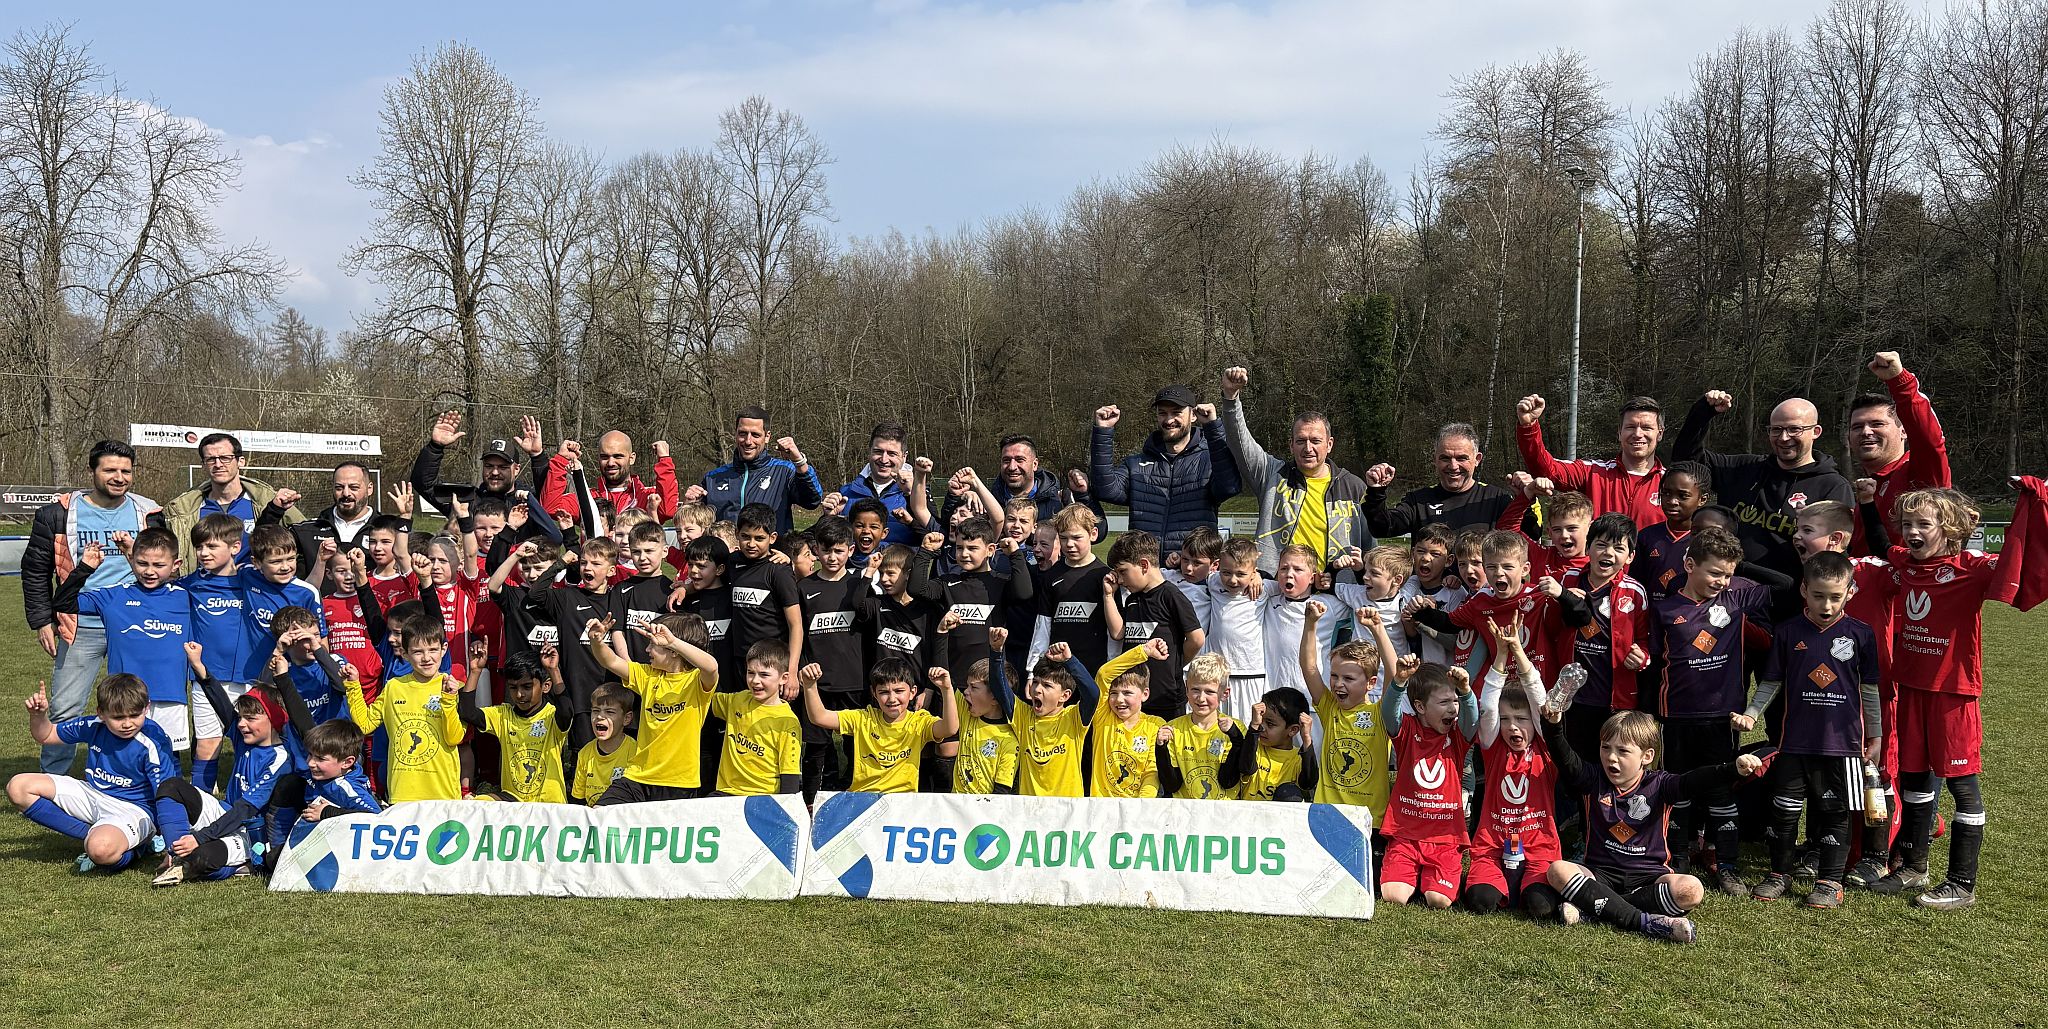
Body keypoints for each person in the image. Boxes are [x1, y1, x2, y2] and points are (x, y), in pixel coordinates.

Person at [1870, 487, 2042, 909]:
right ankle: (1914, 866)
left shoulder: (1972, 567)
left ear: (1949, 530)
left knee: (1962, 786)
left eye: (1923, 524)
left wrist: (2031, 508)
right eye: (1907, 524)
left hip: (1953, 694)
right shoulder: (1904, 563)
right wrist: (1865, 502)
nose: (1912, 532)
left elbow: (2020, 567)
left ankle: (1962, 883)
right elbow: (1878, 543)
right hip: (1910, 689)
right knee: (1913, 779)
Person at [1734, 551, 1882, 909]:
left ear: (1851, 592)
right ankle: (1779, 873)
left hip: (1843, 745)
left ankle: (1830, 881)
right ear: (1804, 590)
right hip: (1794, 742)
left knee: (1836, 812)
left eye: (1835, 596)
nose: (1826, 605)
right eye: (1818, 596)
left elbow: (1869, 689)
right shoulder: (1788, 632)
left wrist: (1875, 736)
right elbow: (1771, 682)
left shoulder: (1861, 634)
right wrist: (1752, 713)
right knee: (1784, 810)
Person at [1543, 710, 1765, 944]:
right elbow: (1564, 757)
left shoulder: (1661, 784)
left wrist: (1733, 769)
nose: (1611, 757)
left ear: (1647, 756)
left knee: (1692, 889)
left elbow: (1695, 780)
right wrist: (1554, 726)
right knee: (1557, 870)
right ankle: (1646, 922)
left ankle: (1595, 908)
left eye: (1622, 751)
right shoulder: (1592, 779)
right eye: (1605, 748)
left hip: (1648, 879)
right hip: (1599, 874)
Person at [1643, 527, 1776, 896]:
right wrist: (1650, 711)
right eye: (1715, 572)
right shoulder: (1664, 610)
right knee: (1678, 789)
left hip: (1722, 718)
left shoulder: (1736, 600)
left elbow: (1785, 584)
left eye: (1729, 574)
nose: (1722, 581)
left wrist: (1740, 568)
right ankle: (1679, 860)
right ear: (1689, 565)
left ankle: (1727, 864)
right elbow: (1653, 666)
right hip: (1675, 718)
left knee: (1721, 791)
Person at [21, 440, 164, 775]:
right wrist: (42, 620)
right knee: (66, 708)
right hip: (80, 625)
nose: (119, 477)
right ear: (92, 471)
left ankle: (133, 776)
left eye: (126, 471)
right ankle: (53, 782)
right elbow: (36, 570)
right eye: (110, 469)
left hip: (133, 624)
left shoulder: (148, 513)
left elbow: (161, 564)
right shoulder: (58, 513)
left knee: (137, 705)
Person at [1672, 389, 1853, 577]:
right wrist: (1703, 412)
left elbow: (1836, 555)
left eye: (1794, 429)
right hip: (1727, 587)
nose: (1784, 437)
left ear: (1816, 432)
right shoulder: (1743, 469)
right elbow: (1686, 461)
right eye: (1776, 429)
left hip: (1788, 592)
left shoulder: (1833, 487)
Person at [7, 675, 180, 872]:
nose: (127, 724)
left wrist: (172, 844)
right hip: (93, 793)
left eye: (134, 715)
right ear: (101, 713)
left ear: (146, 708)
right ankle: (94, 834)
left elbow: (168, 795)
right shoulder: (94, 725)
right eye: (118, 718)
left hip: (135, 809)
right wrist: (38, 716)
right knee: (18, 787)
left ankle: (137, 848)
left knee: (100, 850)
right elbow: (47, 735)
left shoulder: (153, 741)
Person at [1218, 366, 1372, 575]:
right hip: (1279, 586)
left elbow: (1371, 549)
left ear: (1329, 444)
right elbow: (1240, 443)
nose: (1308, 448)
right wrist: (1231, 398)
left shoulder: (1353, 486)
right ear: (1291, 445)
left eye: (1315, 441)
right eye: (1301, 441)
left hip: (1337, 590)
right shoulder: (1272, 475)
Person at [51, 532, 193, 757]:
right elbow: (62, 602)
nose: (149, 571)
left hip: (169, 694)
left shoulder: (186, 596)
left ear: (176, 565)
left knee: (166, 756)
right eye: (142, 563)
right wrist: (85, 568)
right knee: (124, 755)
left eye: (158, 565)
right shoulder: (114, 596)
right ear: (131, 559)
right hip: (125, 695)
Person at [1465, 616, 1565, 919]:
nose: (1512, 727)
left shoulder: (1546, 747)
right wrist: (1500, 657)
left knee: (1540, 907)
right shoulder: (1494, 747)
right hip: (1493, 847)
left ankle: (1528, 886)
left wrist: (1518, 653)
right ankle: (1500, 884)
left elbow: (1539, 702)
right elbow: (1488, 707)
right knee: (1481, 900)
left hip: (1539, 848)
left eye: (1521, 720)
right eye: (1506, 719)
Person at [1089, 386, 1241, 557]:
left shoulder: (1209, 460)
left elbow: (1229, 487)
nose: (1169, 420)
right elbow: (1106, 490)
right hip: (1144, 567)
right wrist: (1103, 431)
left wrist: (1212, 428)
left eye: (1176, 413)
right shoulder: (1136, 464)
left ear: (1193, 415)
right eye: (1162, 413)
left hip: (1191, 567)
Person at [1378, 655, 1478, 909]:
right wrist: (1399, 681)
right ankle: (1410, 873)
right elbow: (1388, 713)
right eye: (1444, 702)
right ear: (1420, 707)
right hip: (1406, 833)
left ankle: (1433, 879)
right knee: (1393, 896)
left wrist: (1466, 691)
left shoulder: (1457, 735)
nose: (1453, 709)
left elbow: (1472, 720)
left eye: (1455, 701)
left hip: (1445, 836)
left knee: (1439, 900)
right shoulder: (1407, 729)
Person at [591, 613, 723, 804]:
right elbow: (611, 661)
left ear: (673, 651)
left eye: (653, 644)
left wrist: (673, 642)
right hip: (637, 777)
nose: (647, 649)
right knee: (602, 813)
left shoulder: (696, 680)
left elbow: (711, 667)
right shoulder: (648, 675)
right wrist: (597, 641)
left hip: (679, 783)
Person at [342, 613, 465, 803]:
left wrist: (448, 700)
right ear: (405, 654)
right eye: (417, 652)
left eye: (433, 650)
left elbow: (454, 738)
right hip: (402, 794)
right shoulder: (393, 687)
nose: (426, 658)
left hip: (443, 794)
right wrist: (353, 686)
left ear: (443, 649)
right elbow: (364, 725)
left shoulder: (452, 687)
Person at [802, 658, 958, 795]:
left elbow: (950, 728)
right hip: (863, 799)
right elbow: (819, 717)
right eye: (884, 692)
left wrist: (946, 689)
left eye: (899, 691)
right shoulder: (863, 718)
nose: (892, 699)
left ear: (912, 692)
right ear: (874, 693)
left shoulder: (918, 722)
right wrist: (810, 686)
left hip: (902, 802)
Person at [1847, 352, 1951, 550]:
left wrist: (1900, 382)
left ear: (1904, 431)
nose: (1866, 432)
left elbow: (1929, 441)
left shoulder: (1920, 477)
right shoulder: (1865, 488)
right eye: (1857, 427)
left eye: (1877, 424)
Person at [1515, 395, 1668, 528]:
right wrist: (1528, 426)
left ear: (1660, 433)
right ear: (1619, 432)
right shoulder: (1593, 472)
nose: (1638, 434)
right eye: (1630, 427)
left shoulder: (1670, 485)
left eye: (1646, 428)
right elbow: (1548, 470)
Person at [1298, 600, 1391, 818]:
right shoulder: (1330, 708)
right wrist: (1310, 624)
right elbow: (1308, 667)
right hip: (1328, 813)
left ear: (1371, 683)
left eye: (1348, 678)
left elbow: (1394, 675)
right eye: (1334, 676)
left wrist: (1378, 629)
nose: (1338, 684)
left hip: (1369, 818)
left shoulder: (1380, 713)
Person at [164, 432, 306, 569]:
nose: (218, 464)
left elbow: (308, 542)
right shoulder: (182, 511)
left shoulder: (269, 502)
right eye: (211, 459)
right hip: (205, 585)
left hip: (256, 585)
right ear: (203, 465)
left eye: (225, 458)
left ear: (240, 461)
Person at [1104, 530, 1205, 718]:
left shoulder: (1171, 596)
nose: (1120, 580)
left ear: (1144, 565)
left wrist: (1176, 663)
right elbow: (1118, 633)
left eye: (1123, 571)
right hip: (1133, 697)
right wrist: (1108, 595)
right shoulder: (1133, 598)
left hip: (1165, 697)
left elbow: (1197, 639)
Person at [457, 646, 572, 803]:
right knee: (474, 804)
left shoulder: (552, 716)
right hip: (513, 803)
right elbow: (467, 712)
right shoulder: (503, 715)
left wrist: (554, 671)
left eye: (527, 687)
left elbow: (566, 711)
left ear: (546, 686)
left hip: (548, 805)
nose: (519, 694)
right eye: (513, 687)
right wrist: (475, 671)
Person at [1363, 423, 1518, 539]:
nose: (1453, 466)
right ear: (1435, 459)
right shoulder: (1418, 502)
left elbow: (1527, 536)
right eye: (1445, 458)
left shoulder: (1497, 499)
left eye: (1461, 458)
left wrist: (1525, 497)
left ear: (1477, 459)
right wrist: (1376, 491)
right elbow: (1381, 529)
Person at [688, 406, 823, 534]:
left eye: (755, 435)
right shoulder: (712, 478)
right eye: (743, 433)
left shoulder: (784, 471)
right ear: (735, 434)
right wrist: (690, 505)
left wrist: (799, 462)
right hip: (725, 552)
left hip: (773, 551)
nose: (748, 441)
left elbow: (812, 501)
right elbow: (694, 526)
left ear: (767, 436)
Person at [707, 640, 803, 797]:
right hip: (726, 794)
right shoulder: (737, 700)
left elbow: (790, 777)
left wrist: (784, 807)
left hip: (763, 798)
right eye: (750, 672)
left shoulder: (788, 722)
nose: (755, 680)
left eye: (764, 674)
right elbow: (703, 696)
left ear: (784, 678)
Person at [407, 410, 548, 515]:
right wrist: (435, 447)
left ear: (516, 469)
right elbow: (424, 484)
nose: (495, 472)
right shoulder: (466, 501)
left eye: (503, 467)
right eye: (489, 466)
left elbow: (549, 492)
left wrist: (537, 456)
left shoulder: (529, 502)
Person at [1154, 654, 1246, 801]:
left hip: (1224, 811)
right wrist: (1160, 748)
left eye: (1209, 692)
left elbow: (1228, 781)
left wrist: (1236, 739)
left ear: (1225, 693)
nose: (1201, 698)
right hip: (1184, 810)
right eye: (1195, 690)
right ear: (1186, 688)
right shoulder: (1172, 729)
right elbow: (1172, 785)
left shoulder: (1236, 729)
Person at [270, 461, 383, 577]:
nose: (346, 493)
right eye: (339, 487)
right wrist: (274, 510)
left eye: (353, 487)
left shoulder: (386, 530)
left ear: (369, 489)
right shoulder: (308, 530)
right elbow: (265, 546)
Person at [545, 432, 680, 524]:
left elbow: (668, 511)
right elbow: (551, 508)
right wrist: (561, 460)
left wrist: (664, 460)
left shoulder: (646, 496)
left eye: (618, 456)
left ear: (631, 458)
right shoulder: (587, 498)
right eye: (604, 457)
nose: (610, 463)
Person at [829, 421, 925, 549]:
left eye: (892, 453)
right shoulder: (846, 493)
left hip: (902, 562)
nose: (884, 459)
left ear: (904, 456)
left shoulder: (919, 494)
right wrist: (828, 518)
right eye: (878, 451)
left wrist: (910, 494)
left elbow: (934, 538)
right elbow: (826, 543)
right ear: (869, 452)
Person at [1234, 688, 1317, 802]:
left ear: (1293, 730)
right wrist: (1254, 726)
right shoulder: (1253, 746)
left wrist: (1306, 738)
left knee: (1289, 792)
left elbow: (1309, 783)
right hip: (1249, 812)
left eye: (1270, 724)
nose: (1262, 727)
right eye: (1261, 720)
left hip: (1281, 813)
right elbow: (1246, 768)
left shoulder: (1298, 758)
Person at [570, 680, 637, 806]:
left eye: (609, 712)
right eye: (596, 711)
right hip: (592, 817)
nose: (600, 716)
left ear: (626, 718)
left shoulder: (635, 752)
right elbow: (578, 801)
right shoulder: (585, 753)